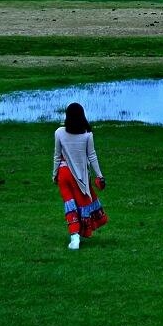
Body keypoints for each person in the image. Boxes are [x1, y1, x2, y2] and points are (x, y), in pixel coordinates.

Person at [52, 102, 108, 250]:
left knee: (69, 204)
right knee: (81, 205)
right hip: (80, 177)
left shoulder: (59, 132)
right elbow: (92, 156)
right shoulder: (87, 134)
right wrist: (100, 176)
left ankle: (74, 237)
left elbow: (57, 157)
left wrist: (54, 174)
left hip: (63, 174)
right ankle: (77, 237)